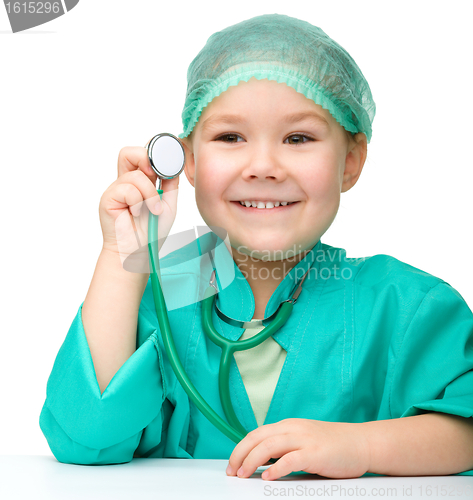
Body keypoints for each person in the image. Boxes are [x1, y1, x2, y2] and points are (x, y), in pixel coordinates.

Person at [39, 13, 473, 480]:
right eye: (230, 137)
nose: (263, 166)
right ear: (187, 159)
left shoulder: (407, 304)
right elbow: (84, 438)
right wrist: (123, 257)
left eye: (298, 138)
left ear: (350, 161)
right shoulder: (157, 291)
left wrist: (363, 446)